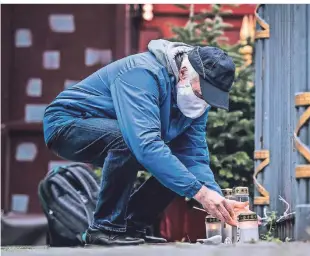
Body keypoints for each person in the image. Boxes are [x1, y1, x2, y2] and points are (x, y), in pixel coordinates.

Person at [42, 39, 248, 246]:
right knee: (129, 141)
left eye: (209, 99)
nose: (203, 102)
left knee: (178, 167)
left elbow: (193, 158)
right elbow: (144, 143)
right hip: (68, 124)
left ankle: (130, 227)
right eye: (200, 93)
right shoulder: (142, 73)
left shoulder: (197, 102)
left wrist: (217, 200)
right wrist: (200, 193)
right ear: (184, 73)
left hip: (122, 132)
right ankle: (105, 229)